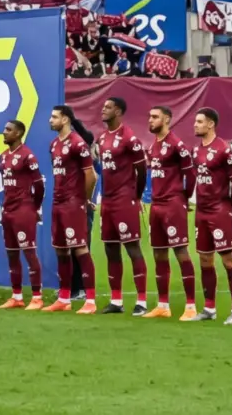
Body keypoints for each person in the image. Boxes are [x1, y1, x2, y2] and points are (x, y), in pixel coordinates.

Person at [94, 95, 150, 313]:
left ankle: (142, 301)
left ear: (118, 111)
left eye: (108, 107)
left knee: (132, 247)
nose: (103, 110)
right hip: (107, 200)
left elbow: (142, 170)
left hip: (125, 199)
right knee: (110, 248)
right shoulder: (102, 138)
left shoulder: (130, 138)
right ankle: (116, 301)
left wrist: (135, 196)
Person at [141, 104, 196, 319]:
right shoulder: (154, 145)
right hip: (157, 204)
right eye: (149, 116)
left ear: (167, 120)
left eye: (155, 117)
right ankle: (163, 305)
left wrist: (184, 196)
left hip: (173, 204)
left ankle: (190, 306)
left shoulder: (176, 145)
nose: (150, 120)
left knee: (180, 250)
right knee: (158, 253)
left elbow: (190, 174)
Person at [189, 108, 232, 322]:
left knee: (228, 259)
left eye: (199, 121)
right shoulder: (196, 151)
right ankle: (209, 309)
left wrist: (231, 207)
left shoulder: (223, 149)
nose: (195, 124)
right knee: (204, 258)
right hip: (201, 211)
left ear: (210, 124)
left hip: (220, 210)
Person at [46, 103, 97, 312]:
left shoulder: (78, 144)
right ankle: (64, 299)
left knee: (80, 248)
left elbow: (91, 175)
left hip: (73, 203)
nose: (50, 120)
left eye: (54, 117)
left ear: (65, 119)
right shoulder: (54, 144)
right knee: (60, 248)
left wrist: (84, 199)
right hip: (58, 202)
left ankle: (90, 300)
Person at [0, 118, 46, 308]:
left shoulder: (27, 156)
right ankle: (16, 297)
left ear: (18, 133)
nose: (4, 132)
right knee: (12, 254)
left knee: (29, 253)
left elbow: (39, 184)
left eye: (8, 129)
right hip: (8, 210)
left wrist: (34, 207)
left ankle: (37, 297)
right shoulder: (3, 156)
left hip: (24, 210)